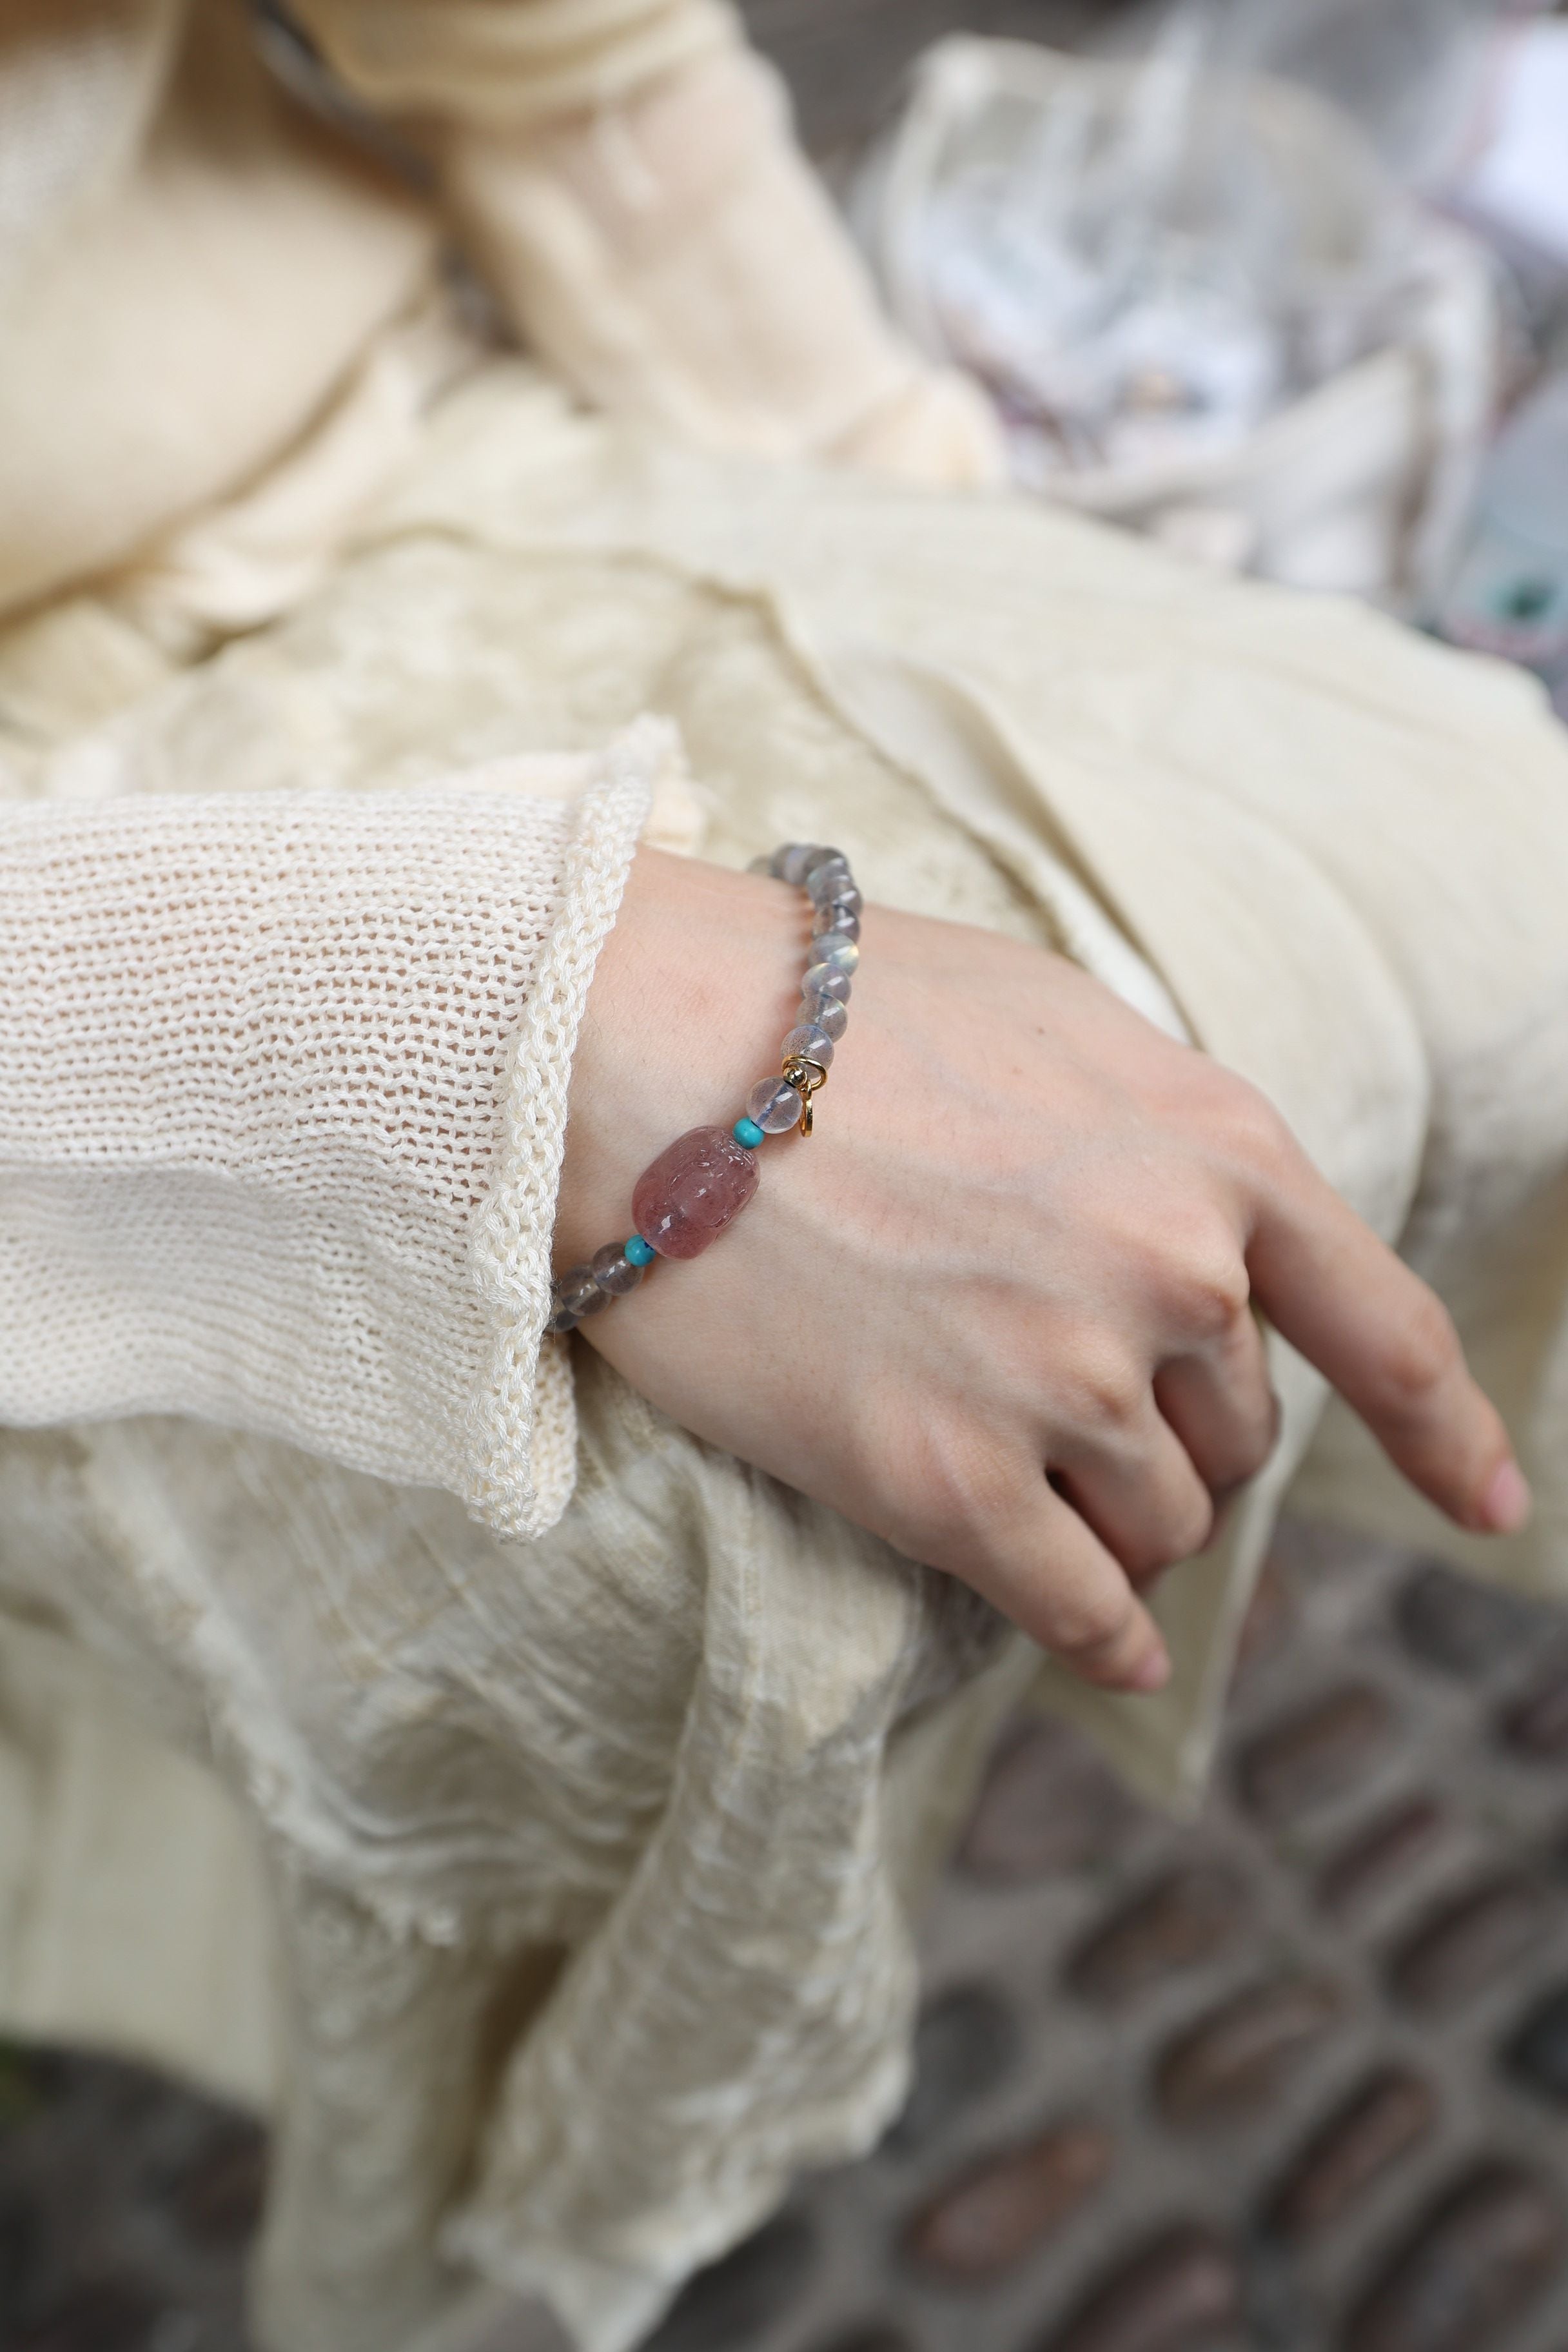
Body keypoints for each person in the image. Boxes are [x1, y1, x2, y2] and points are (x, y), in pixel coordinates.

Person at [1, 5, 1565, 2349]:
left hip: (403, 448)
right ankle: (486, 2243)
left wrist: (938, 522)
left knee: (1497, 854)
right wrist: (538, 1028)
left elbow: (568, 68)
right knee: (738, 1581)